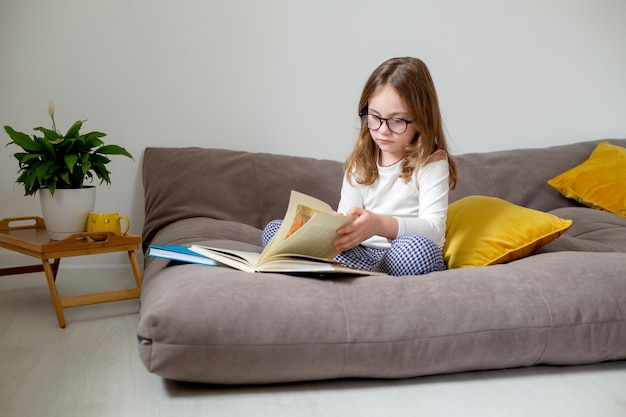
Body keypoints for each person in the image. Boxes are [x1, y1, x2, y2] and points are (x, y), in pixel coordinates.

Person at [263, 57, 457, 276]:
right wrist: (332, 228)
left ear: (423, 119)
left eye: (397, 120)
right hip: (359, 253)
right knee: (275, 230)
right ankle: (358, 271)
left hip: (400, 252)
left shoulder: (432, 163)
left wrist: (378, 225)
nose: (383, 130)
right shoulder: (361, 162)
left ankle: (353, 273)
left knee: (418, 250)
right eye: (374, 117)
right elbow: (348, 219)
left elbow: (433, 229)